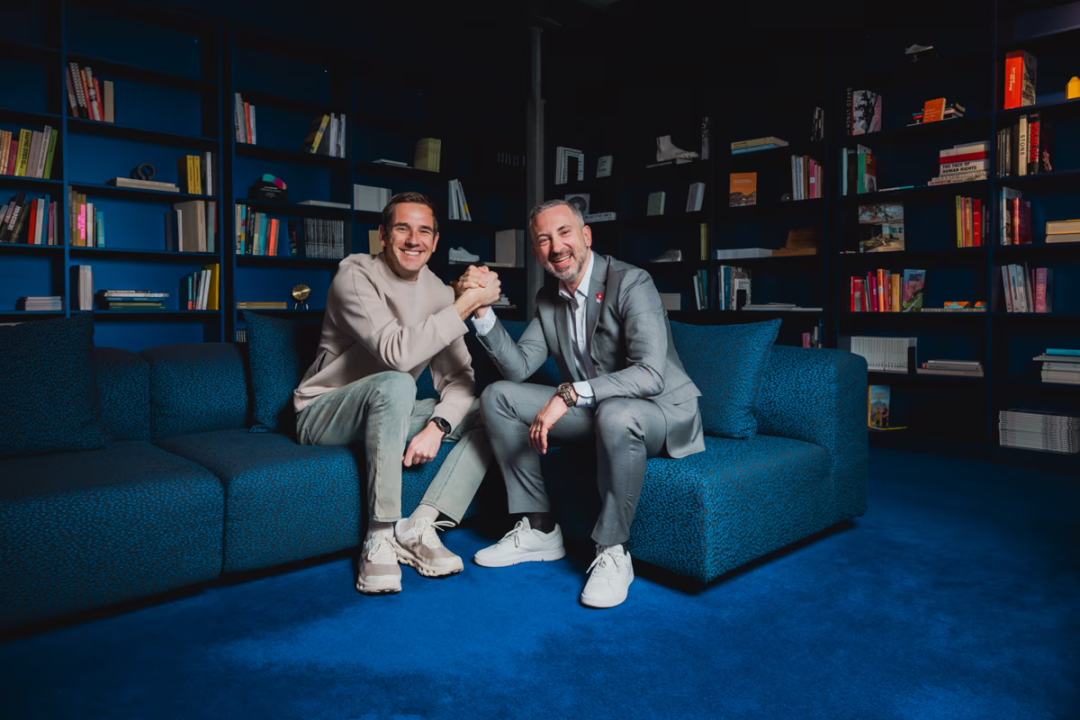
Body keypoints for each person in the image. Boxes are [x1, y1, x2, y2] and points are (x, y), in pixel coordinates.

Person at [456, 199, 705, 608]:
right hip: (597, 411)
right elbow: (518, 368)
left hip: (658, 410)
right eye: (544, 240)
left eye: (564, 233)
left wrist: (568, 394)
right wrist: (482, 310)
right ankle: (540, 528)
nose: (557, 247)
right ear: (536, 252)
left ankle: (614, 550)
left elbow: (650, 374)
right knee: (498, 396)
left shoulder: (631, 282)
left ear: (586, 236)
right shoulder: (549, 297)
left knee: (616, 412)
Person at [293, 191, 502, 595]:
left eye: (424, 231)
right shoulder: (354, 276)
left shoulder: (439, 293)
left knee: (494, 408)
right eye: (402, 229)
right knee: (397, 381)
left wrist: (439, 426)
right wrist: (467, 303)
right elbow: (397, 354)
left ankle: (420, 523)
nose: (413, 240)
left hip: (390, 411)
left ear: (435, 242)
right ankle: (380, 534)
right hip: (323, 412)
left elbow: (459, 379)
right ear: (383, 236)